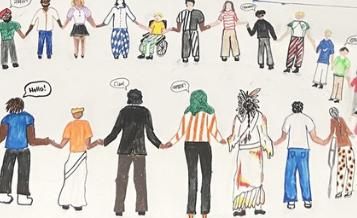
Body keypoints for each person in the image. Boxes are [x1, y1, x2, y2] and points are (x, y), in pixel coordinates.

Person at [96, 87, 163, 216]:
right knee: (140, 180)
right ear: (140, 99)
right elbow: (150, 133)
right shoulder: (145, 112)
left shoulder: (124, 112)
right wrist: (159, 145)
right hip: (139, 151)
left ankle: (119, 209)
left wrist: (104, 141)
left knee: (121, 180)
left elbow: (115, 131)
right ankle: (141, 209)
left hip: (124, 151)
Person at [170, 89, 228, 218]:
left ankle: (191, 211)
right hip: (204, 145)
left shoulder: (188, 112)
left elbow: (181, 131)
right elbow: (213, 130)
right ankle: (204, 212)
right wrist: (221, 140)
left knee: (192, 177)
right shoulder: (210, 112)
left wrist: (171, 142)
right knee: (206, 177)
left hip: (189, 145)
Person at [0, 95, 50, 205]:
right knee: (23, 173)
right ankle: (22, 197)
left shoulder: (6, 119)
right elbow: (32, 140)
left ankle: (3, 194)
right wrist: (45, 141)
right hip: (24, 150)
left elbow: (0, 138)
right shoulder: (28, 117)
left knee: (6, 171)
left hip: (10, 150)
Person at [231, 88, 273, 215]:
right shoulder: (260, 116)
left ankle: (241, 208)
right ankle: (258, 206)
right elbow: (264, 134)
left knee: (242, 179)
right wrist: (268, 147)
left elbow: (235, 136)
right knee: (256, 178)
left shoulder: (238, 117)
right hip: (256, 150)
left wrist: (231, 143)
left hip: (243, 151)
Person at [275, 100, 317, 209]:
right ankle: (307, 200)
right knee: (305, 175)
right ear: (301, 108)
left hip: (292, 150)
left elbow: (283, 137)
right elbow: (314, 137)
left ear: (293, 108)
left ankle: (291, 201)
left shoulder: (289, 119)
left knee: (290, 175)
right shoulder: (307, 119)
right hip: (304, 150)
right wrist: (324, 141)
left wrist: (273, 144)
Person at [55, 106, 97, 211]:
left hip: (72, 155)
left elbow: (61, 145)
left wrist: (50, 142)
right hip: (81, 156)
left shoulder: (70, 125)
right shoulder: (85, 124)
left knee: (69, 178)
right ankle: (77, 203)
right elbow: (88, 145)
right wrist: (98, 142)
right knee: (80, 180)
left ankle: (65, 202)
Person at [321, 107, 355, 198]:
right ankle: (339, 191)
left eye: (335, 112)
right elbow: (332, 132)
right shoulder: (332, 121)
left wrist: (351, 134)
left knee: (350, 168)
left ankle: (349, 190)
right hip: (340, 146)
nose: (334, 114)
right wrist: (326, 141)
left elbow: (346, 128)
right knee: (341, 168)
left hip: (348, 145)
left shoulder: (341, 119)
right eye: (332, 113)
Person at [177, 0, 209, 64]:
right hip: (185, 30)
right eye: (188, 4)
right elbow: (179, 21)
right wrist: (178, 29)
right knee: (185, 44)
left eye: (191, 4)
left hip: (194, 30)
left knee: (195, 43)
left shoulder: (197, 13)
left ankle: (196, 56)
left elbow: (201, 22)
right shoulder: (183, 13)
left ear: (193, 5)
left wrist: (204, 28)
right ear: (186, 4)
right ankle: (185, 57)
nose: (189, 5)